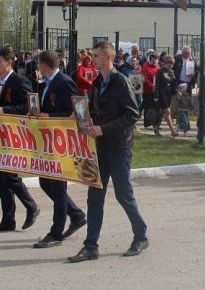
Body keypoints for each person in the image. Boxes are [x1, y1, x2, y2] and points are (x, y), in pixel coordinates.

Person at [68, 41, 147, 263]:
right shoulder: (97, 82)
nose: (91, 59)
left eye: (95, 55)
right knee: (94, 197)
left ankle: (140, 236)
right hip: (100, 147)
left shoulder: (120, 81)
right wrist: (81, 114)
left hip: (119, 147)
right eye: (92, 55)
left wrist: (103, 128)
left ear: (108, 57)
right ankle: (90, 246)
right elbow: (96, 109)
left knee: (123, 194)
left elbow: (132, 114)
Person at [0, 46, 40, 233]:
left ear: (9, 63)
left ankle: (31, 206)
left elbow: (28, 108)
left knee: (10, 177)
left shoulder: (20, 81)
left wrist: (4, 110)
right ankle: (8, 219)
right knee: (1, 179)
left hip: (14, 136)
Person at [32, 50, 87, 248]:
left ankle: (56, 233)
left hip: (61, 142)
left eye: (39, 64)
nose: (37, 68)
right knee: (45, 183)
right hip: (48, 142)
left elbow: (77, 111)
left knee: (57, 186)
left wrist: (51, 116)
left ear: (45, 65)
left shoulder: (64, 82)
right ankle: (76, 214)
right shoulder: (45, 83)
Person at [153, 54, 177, 137]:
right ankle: (172, 130)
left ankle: (156, 127)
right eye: (169, 63)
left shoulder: (172, 72)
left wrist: (176, 92)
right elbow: (157, 84)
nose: (171, 65)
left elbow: (173, 84)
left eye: (172, 63)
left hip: (168, 94)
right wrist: (156, 95)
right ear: (165, 63)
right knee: (167, 111)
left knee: (163, 112)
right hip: (161, 94)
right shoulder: (160, 71)